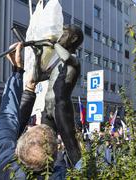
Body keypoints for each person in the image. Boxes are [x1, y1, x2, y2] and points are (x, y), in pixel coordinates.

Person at [0, 42, 67, 179]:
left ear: (18, 150)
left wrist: (17, 71)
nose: (30, 127)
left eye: (29, 131)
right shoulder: (60, 173)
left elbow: (8, 117)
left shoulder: (3, 164)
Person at [40, 24, 84, 166]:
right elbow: (38, 75)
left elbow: (66, 57)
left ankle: (82, 174)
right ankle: (46, 173)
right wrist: (37, 54)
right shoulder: (57, 62)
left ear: (74, 38)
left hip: (61, 106)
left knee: (70, 144)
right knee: (45, 145)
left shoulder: (74, 60)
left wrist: (53, 44)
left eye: (64, 34)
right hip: (47, 108)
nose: (60, 37)